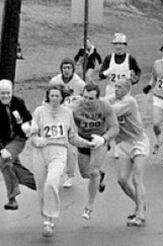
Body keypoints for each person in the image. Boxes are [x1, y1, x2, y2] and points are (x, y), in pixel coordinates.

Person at [30, 85, 95, 237]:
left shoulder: (67, 113)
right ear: (47, 96)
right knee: (41, 188)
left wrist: (87, 143)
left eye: (57, 96)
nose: (54, 99)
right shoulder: (39, 112)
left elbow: (72, 136)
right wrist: (37, 141)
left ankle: (50, 220)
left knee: (51, 182)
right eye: (51, 96)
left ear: (62, 97)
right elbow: (32, 135)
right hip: (41, 152)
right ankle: (46, 219)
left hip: (59, 151)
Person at [69, 83, 119, 220]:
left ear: (98, 98)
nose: (87, 101)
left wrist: (104, 139)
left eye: (91, 99)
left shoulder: (105, 106)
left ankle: (89, 207)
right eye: (85, 97)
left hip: (99, 139)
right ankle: (100, 176)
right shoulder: (75, 106)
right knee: (85, 174)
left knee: (93, 171)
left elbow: (115, 128)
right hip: (82, 140)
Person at [0, 79, 36, 211]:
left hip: (18, 139)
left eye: (8, 93)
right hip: (2, 142)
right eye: (2, 93)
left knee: (4, 163)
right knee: (14, 167)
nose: (6, 96)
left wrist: (27, 126)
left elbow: (28, 117)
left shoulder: (18, 102)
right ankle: (41, 184)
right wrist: (1, 149)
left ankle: (12, 199)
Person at [106, 78, 150, 227]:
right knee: (123, 180)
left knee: (137, 177)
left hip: (138, 142)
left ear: (127, 89)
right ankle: (140, 205)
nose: (116, 89)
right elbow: (101, 102)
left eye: (119, 87)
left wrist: (96, 108)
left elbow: (108, 111)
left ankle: (140, 215)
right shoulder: (113, 98)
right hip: (123, 143)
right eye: (115, 86)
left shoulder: (129, 101)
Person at [49, 57, 86, 188]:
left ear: (73, 69)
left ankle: (69, 176)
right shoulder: (54, 81)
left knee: (71, 150)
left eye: (69, 67)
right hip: (56, 119)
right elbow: (47, 99)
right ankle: (54, 172)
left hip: (72, 120)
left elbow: (86, 101)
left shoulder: (80, 84)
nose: (66, 70)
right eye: (64, 67)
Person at [99, 33, 141, 97]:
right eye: (116, 44)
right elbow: (101, 75)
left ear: (124, 45)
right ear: (113, 45)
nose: (118, 46)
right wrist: (108, 72)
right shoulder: (109, 58)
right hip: (111, 91)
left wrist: (134, 80)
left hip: (124, 92)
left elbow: (138, 71)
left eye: (120, 44)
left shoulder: (130, 58)